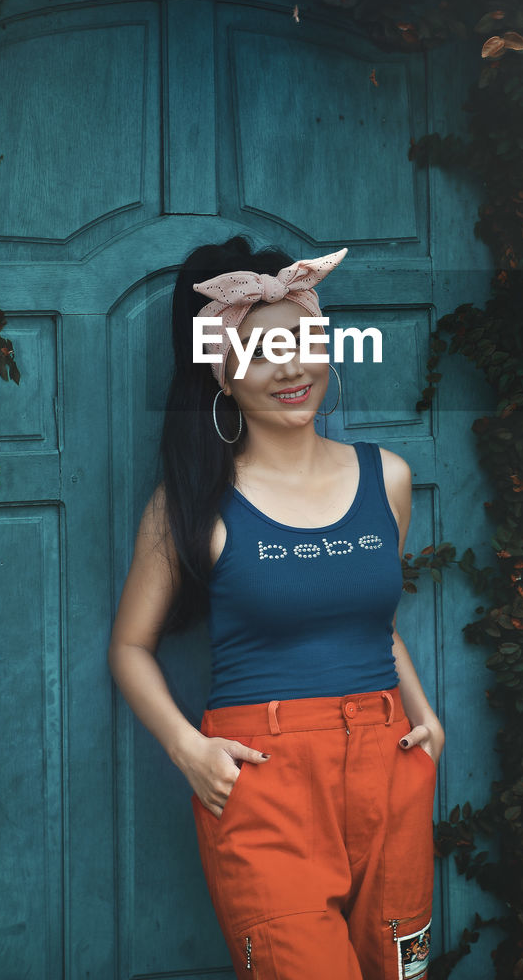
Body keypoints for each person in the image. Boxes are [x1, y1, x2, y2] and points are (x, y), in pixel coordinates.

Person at [108, 236, 444, 980]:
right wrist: (187, 748)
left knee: (402, 973)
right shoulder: (192, 506)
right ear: (222, 376)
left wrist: (427, 720)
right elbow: (129, 647)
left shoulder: (387, 479)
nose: (292, 369)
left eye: (304, 344)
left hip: (390, 764)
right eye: (263, 353)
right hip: (266, 780)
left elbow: (373, 624)